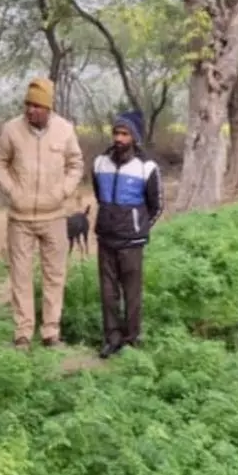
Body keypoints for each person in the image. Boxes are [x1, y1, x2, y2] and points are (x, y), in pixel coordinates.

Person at [0, 77, 83, 349]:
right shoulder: (11, 130)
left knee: (55, 275)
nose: (30, 110)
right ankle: (23, 333)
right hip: (20, 218)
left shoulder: (65, 130)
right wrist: (12, 190)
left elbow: (75, 164)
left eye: (36, 106)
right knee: (21, 274)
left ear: (48, 108)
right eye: (27, 104)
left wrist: (63, 191)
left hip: (54, 216)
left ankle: (51, 331)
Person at [91, 110, 163, 359]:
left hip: (132, 242)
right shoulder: (100, 163)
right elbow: (98, 195)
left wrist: (139, 227)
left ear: (134, 137)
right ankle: (111, 338)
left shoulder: (147, 167)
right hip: (106, 239)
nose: (119, 138)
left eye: (125, 134)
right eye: (116, 133)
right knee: (108, 293)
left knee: (132, 293)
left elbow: (157, 205)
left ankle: (131, 340)